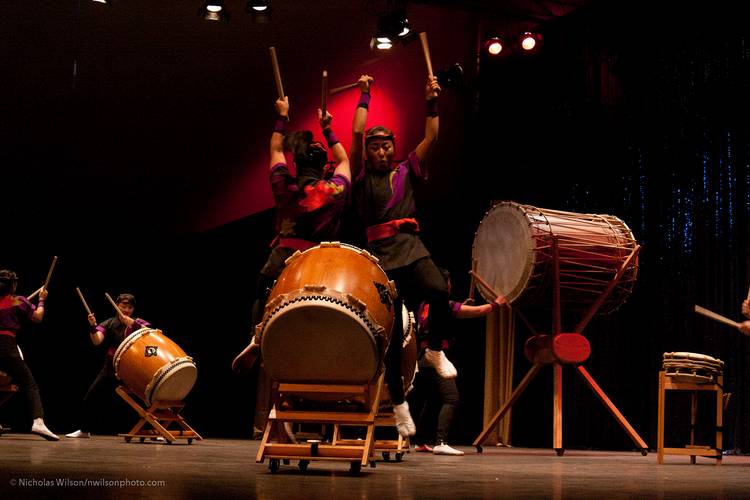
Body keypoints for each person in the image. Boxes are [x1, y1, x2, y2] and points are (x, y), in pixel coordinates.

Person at [231, 95, 351, 437]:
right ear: (322, 164)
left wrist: (281, 116)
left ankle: (257, 334)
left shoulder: (285, 186)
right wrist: (329, 131)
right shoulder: (332, 190)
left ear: (297, 162)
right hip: (313, 266)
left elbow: (273, 150)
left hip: (279, 261)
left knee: (261, 294)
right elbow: (345, 160)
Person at [349, 73, 452, 437]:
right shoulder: (363, 179)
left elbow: (432, 136)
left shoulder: (407, 170)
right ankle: (399, 403)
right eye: (376, 147)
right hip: (383, 259)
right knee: (392, 338)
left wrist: (430, 100)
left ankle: (435, 351)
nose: (382, 152)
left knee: (439, 291)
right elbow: (358, 133)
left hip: (413, 249)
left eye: (386, 146)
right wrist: (364, 95)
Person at [410, 269, 506, 455]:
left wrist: (461, 307)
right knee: (451, 398)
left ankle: (421, 442)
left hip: (422, 357)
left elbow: (443, 317)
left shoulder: (425, 304)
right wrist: (496, 304)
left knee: (432, 400)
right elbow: (479, 310)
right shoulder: (444, 304)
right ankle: (441, 442)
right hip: (435, 357)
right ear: (445, 284)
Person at [66, 293, 150, 438]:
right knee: (90, 397)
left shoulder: (137, 322)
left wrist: (131, 322)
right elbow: (97, 340)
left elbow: (149, 333)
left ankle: (153, 431)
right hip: (111, 367)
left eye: (130, 307)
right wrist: (92, 326)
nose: (127, 309)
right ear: (116, 305)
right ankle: (85, 430)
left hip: (131, 368)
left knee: (144, 399)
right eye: (124, 305)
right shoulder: (109, 322)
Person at [0, 269, 58, 440]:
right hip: (7, 346)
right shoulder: (18, 301)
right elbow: (38, 317)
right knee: (29, 385)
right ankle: (38, 422)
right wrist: (41, 300)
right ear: (14, 285)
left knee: (6, 384)